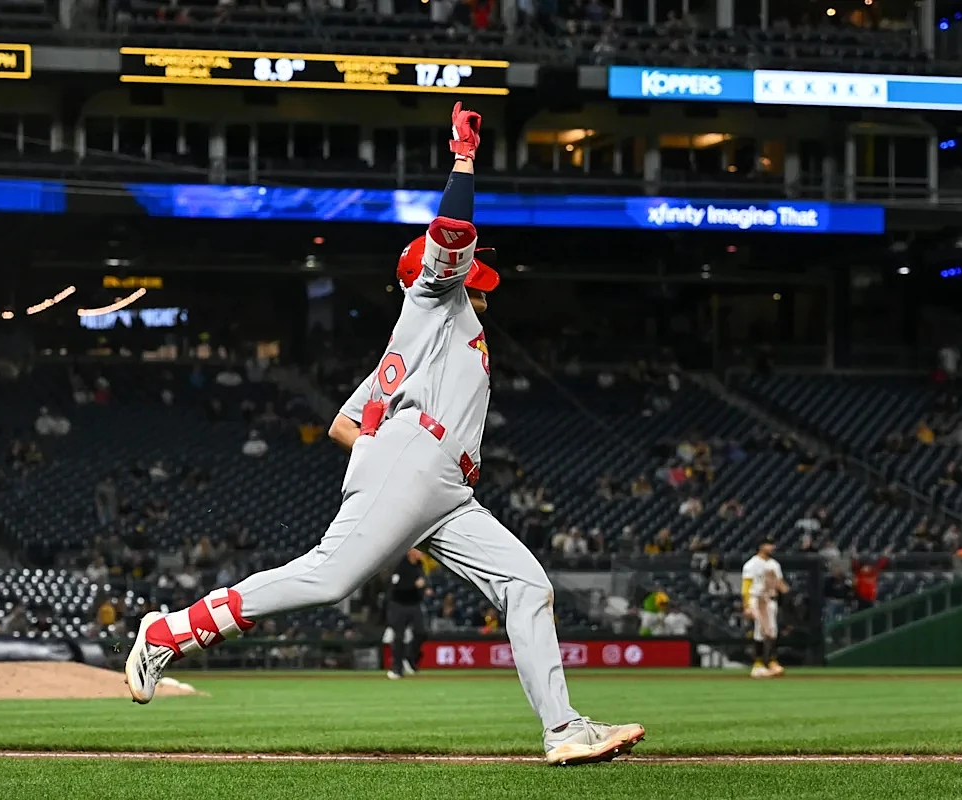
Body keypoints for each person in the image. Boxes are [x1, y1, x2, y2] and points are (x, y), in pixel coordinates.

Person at [124, 102, 644, 767]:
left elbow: (343, 423)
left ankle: (563, 729)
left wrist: (381, 455)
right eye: (466, 268)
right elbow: (451, 231)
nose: (477, 274)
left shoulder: (418, 345)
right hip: (418, 460)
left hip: (442, 487)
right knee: (327, 579)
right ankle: (169, 634)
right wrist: (463, 161)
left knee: (526, 584)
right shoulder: (435, 300)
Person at [741, 535, 788, 679]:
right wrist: (746, 606)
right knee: (760, 631)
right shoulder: (751, 564)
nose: (772, 547)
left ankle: (772, 662)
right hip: (756, 599)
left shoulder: (774, 564)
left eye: (772, 544)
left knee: (772, 631)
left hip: (770, 600)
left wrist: (787, 591)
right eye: (768, 544)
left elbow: (780, 583)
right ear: (761, 546)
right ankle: (758, 665)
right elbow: (746, 587)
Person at [385, 549, 429, 680]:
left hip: (414, 604)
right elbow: (395, 586)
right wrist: (413, 585)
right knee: (399, 637)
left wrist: (425, 588)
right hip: (399, 604)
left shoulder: (419, 565)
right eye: (418, 550)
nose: (421, 553)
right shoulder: (400, 565)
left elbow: (423, 581)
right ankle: (397, 669)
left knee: (421, 632)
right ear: (411, 551)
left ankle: (409, 657)